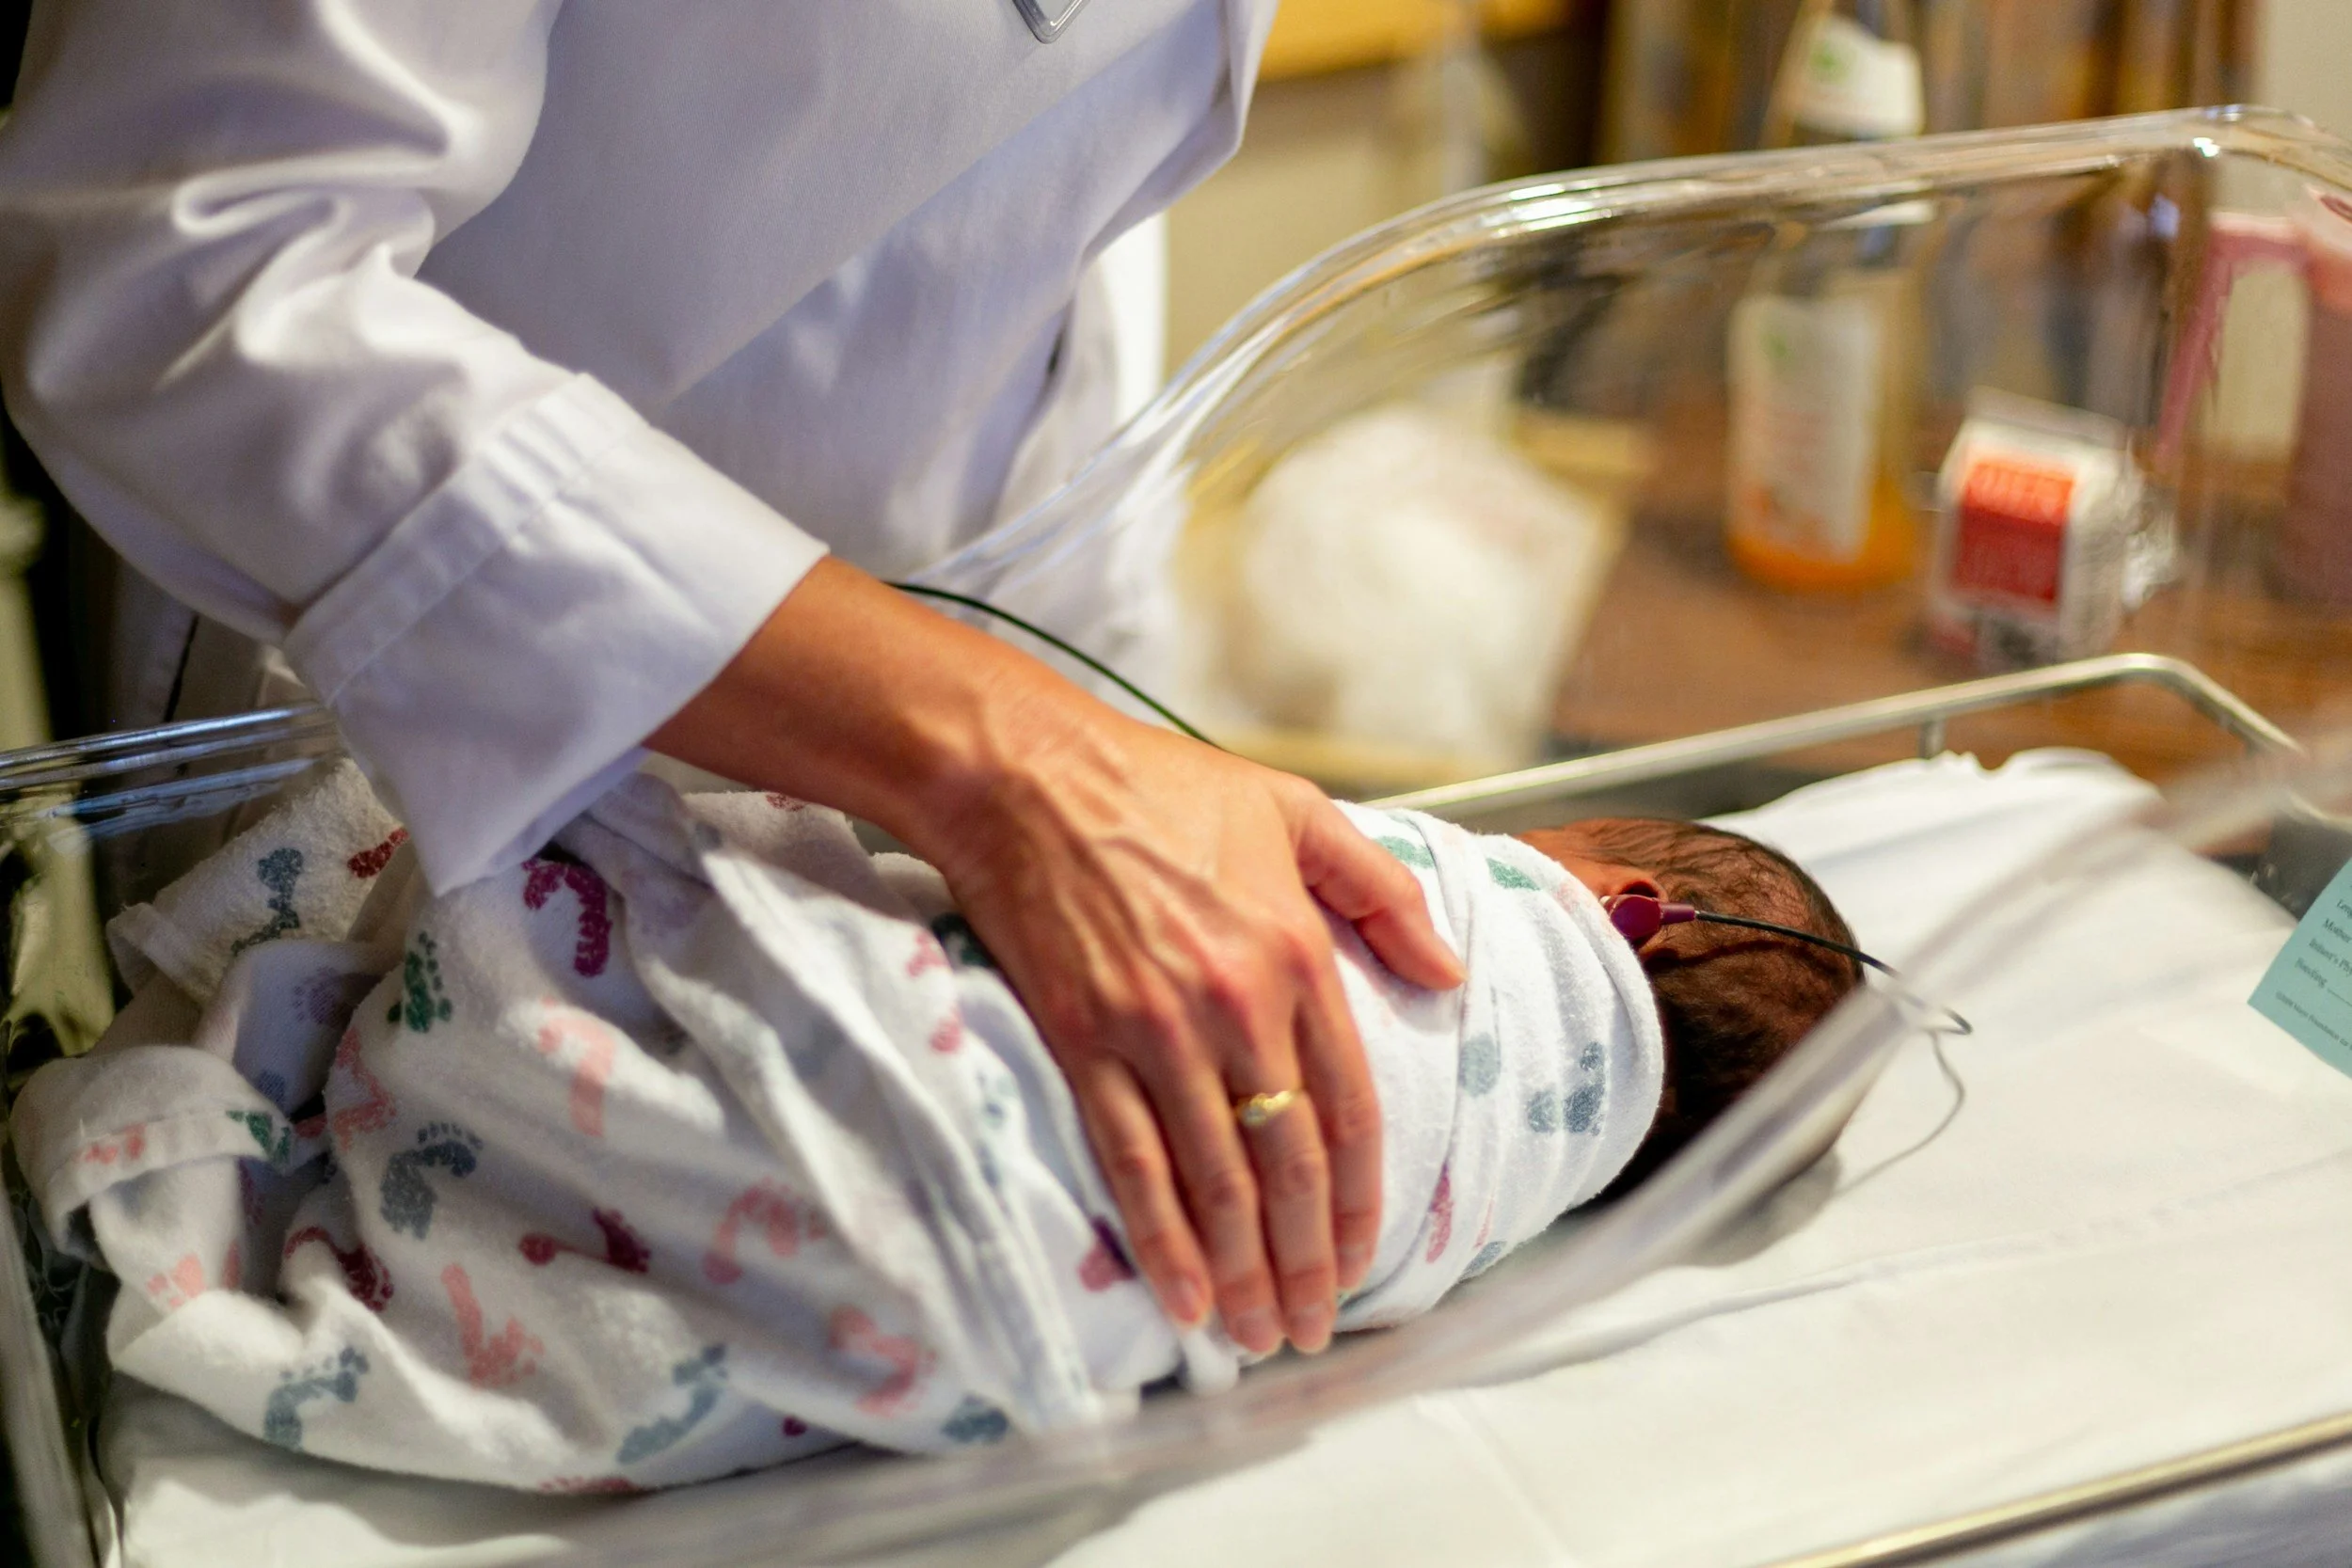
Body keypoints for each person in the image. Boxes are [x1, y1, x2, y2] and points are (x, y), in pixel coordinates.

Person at [0, 1, 1470, 1365]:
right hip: (419, 679)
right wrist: (1007, 758)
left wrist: (1107, 723)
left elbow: (1033, 184)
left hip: (981, 651)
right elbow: (184, 263)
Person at [13, 765, 1861, 1487]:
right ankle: (439, 1192)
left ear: (1624, 899)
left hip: (924, 1082)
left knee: (664, 867)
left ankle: (408, 1051)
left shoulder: (1476, 903)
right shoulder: (1503, 1202)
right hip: (983, 1301)